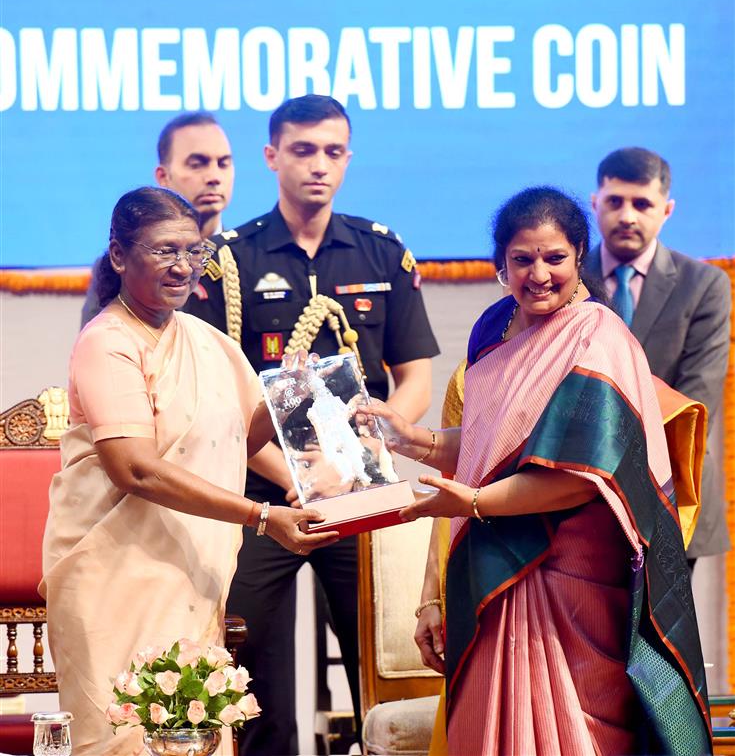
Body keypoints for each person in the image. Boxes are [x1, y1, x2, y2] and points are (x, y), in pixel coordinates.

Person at [360, 187, 711, 754]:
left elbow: (577, 475)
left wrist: (472, 505)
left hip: (574, 575)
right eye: (522, 259)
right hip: (495, 574)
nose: (538, 274)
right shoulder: (492, 331)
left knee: (571, 732)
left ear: (579, 257)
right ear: (501, 263)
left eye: (555, 258)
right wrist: (415, 440)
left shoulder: (598, 337)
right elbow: (490, 446)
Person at [183, 94, 439, 756]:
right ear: (271, 156)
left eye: (332, 151)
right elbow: (218, 398)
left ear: (348, 158)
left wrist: (385, 432)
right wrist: (297, 479)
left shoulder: (382, 252)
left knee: (383, 674)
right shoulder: (226, 260)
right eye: (302, 150)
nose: (317, 166)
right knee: (246, 676)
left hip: (362, 496)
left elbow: (413, 377)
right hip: (261, 503)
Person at [40, 187, 337, 756]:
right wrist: (262, 514)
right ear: (120, 256)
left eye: (193, 252)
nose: (183, 267)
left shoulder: (207, 341)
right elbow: (136, 471)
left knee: (193, 733)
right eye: (164, 251)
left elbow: (238, 441)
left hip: (189, 572)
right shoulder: (106, 342)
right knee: (121, 737)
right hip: (113, 577)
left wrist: (289, 399)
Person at [586, 147, 731, 568]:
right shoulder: (568, 280)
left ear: (666, 211)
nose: (627, 215)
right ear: (596, 204)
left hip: (670, 496)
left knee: (659, 637)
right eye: (615, 202)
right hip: (580, 499)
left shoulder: (704, 286)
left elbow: (696, 399)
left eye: (642, 204)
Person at [80, 111, 235, 326]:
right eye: (197, 164)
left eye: (224, 163)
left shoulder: (244, 259)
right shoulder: (128, 264)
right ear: (163, 176)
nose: (214, 177)